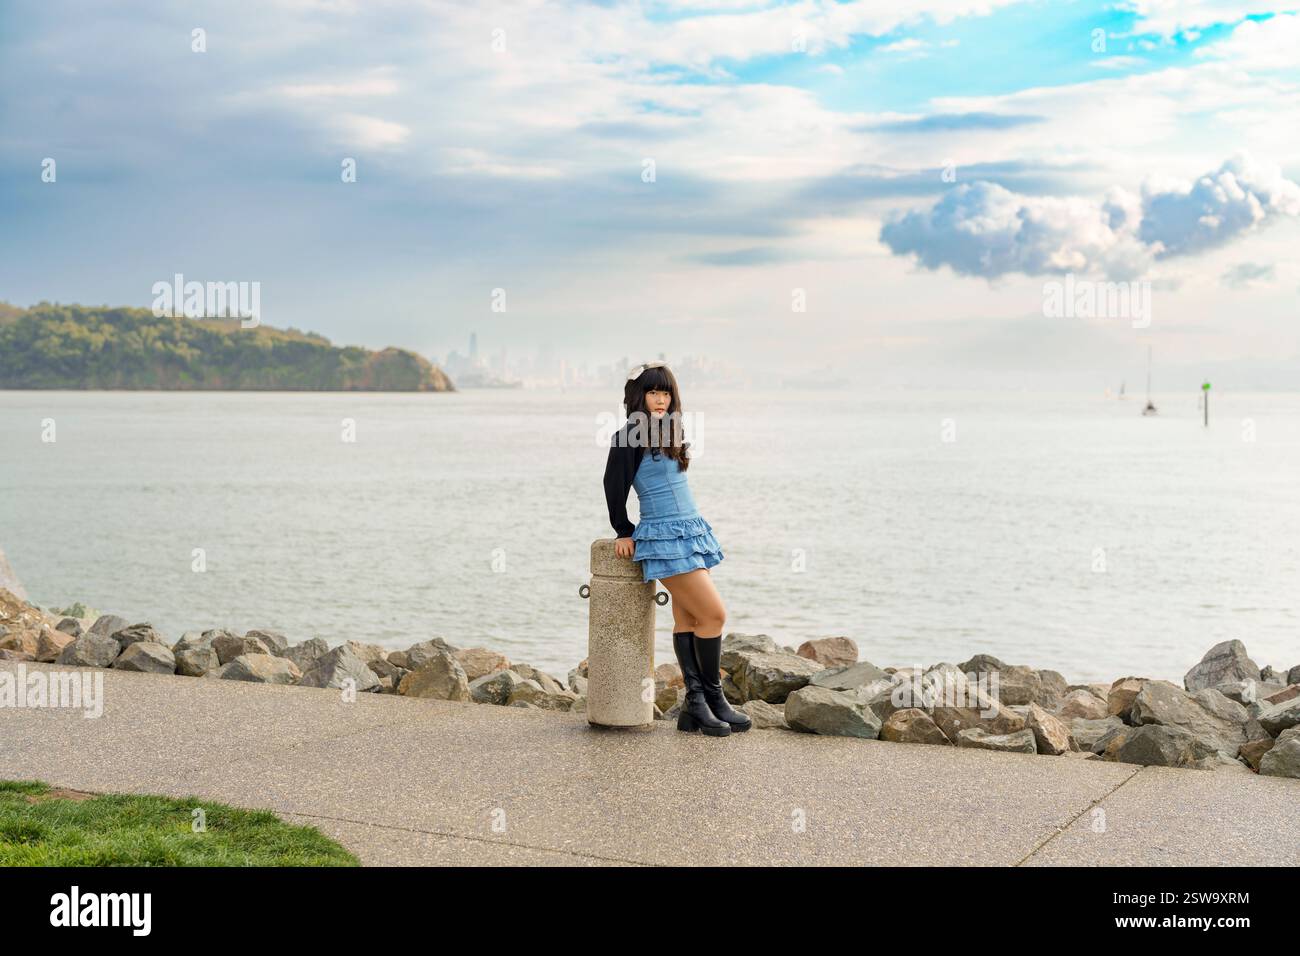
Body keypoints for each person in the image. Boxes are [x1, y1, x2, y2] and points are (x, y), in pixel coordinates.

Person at [602, 361, 751, 737]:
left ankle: (695, 707)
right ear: (639, 396)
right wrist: (623, 530)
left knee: (689, 620)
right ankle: (709, 700)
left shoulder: (671, 432)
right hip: (662, 536)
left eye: (666, 393)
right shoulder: (627, 437)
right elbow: (612, 484)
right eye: (653, 392)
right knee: (715, 615)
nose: (660, 400)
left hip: (691, 530)